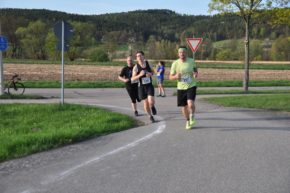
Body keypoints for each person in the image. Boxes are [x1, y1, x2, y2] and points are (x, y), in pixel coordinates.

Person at [169, 46, 198, 130]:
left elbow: (195, 70)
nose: (182, 53)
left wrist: (195, 74)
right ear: (178, 54)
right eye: (180, 52)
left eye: (183, 52)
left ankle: (192, 115)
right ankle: (188, 120)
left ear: (186, 53)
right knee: (184, 107)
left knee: (190, 104)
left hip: (191, 85)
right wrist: (175, 76)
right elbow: (170, 77)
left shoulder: (191, 61)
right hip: (181, 87)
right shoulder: (175, 63)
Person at [132, 50, 157, 123]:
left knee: (151, 101)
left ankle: (152, 106)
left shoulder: (148, 63)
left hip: (149, 85)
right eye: (137, 56)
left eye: (140, 55)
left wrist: (150, 74)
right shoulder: (136, 67)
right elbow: (133, 78)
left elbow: (153, 72)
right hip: (141, 87)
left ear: (143, 56)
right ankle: (150, 116)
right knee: (146, 104)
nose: (139, 57)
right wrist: (140, 75)